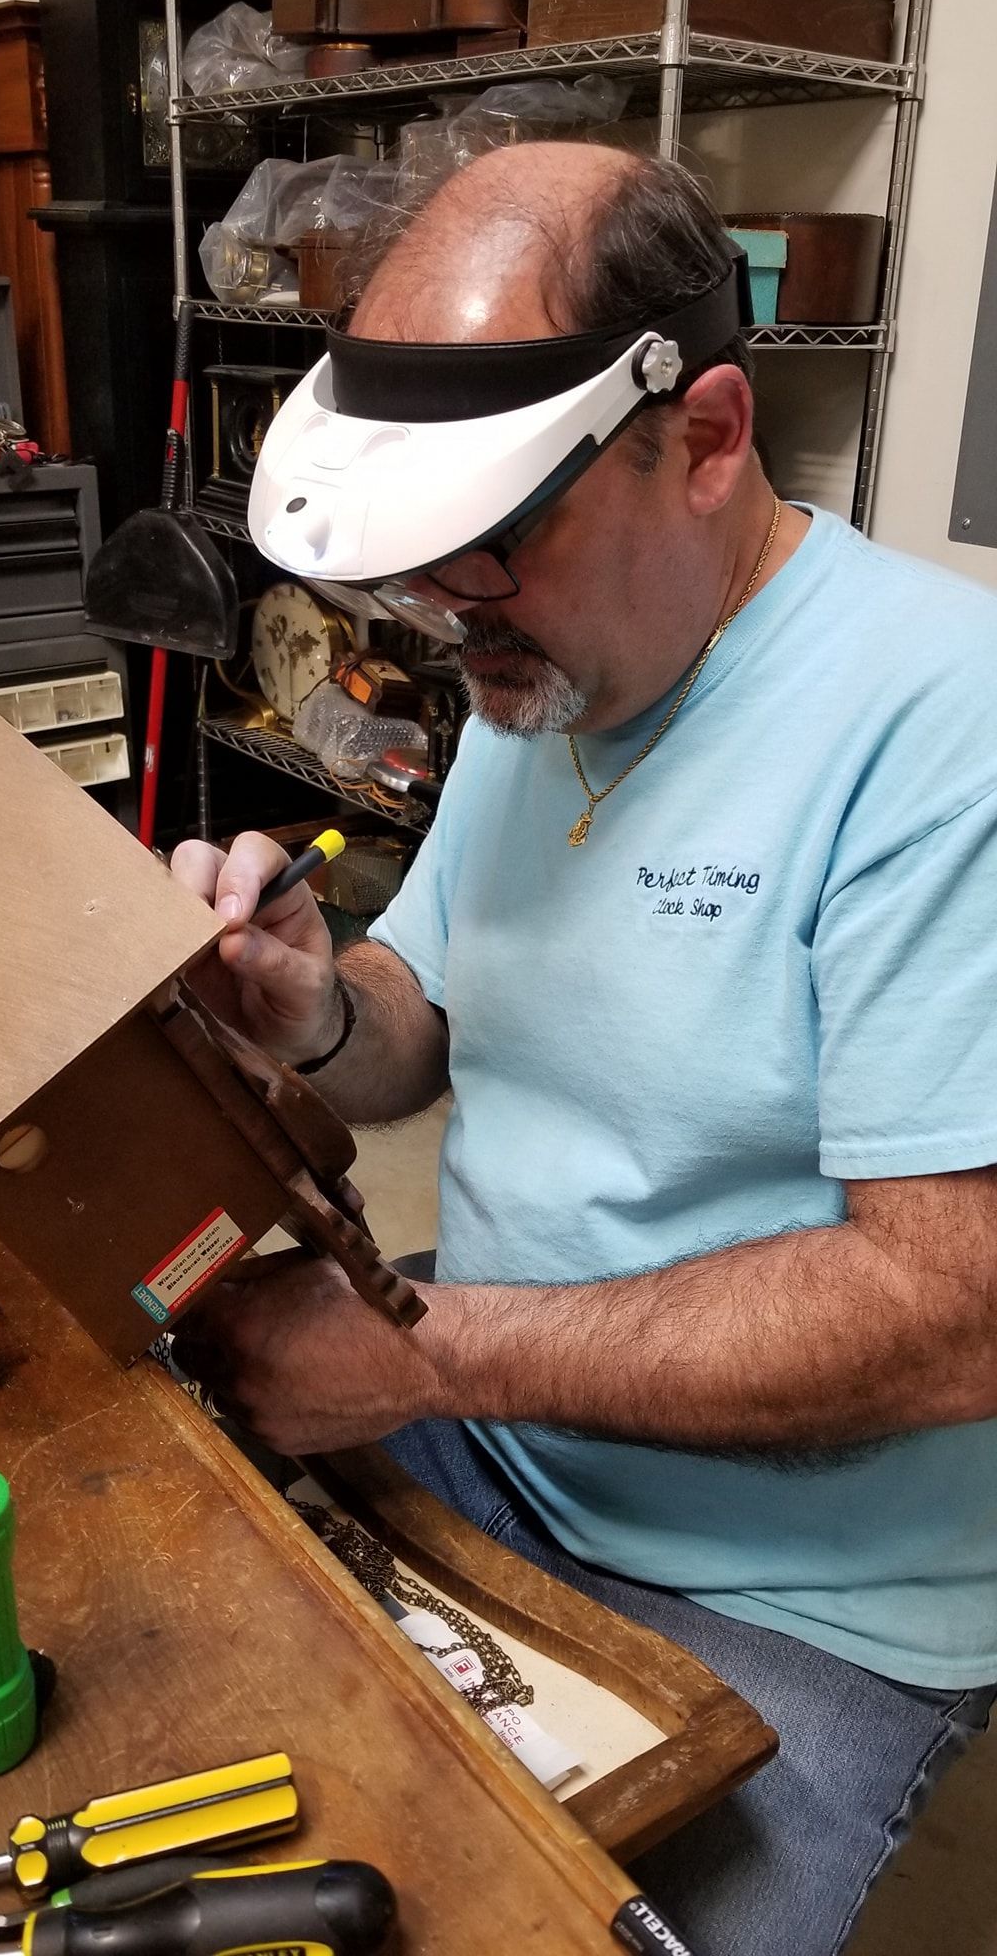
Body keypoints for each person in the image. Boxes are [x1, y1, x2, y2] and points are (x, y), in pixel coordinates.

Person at [171, 141, 997, 1956]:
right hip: (488, 1439)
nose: (449, 614)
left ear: (705, 436)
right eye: (423, 574)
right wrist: (318, 1008)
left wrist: (424, 1355)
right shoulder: (539, 677)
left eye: (497, 549)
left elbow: (954, 1317)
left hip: (793, 1597)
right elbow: (425, 1032)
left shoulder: (947, 731)